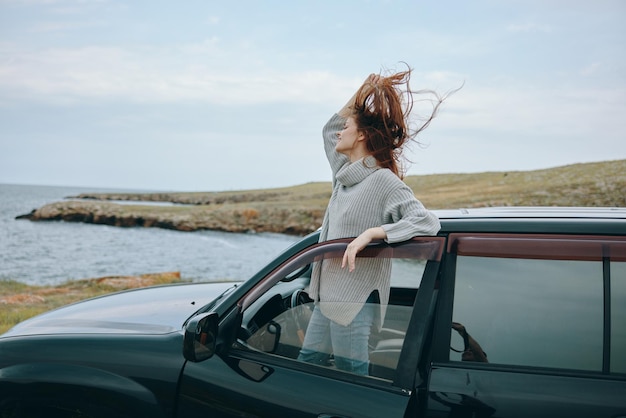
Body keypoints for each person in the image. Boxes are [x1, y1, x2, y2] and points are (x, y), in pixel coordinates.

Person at [298, 67, 447, 375]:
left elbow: (426, 221)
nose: (340, 133)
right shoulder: (345, 177)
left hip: (354, 301)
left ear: (362, 135)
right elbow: (330, 128)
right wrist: (365, 89)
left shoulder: (383, 182)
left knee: (352, 376)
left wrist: (373, 233)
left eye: (348, 128)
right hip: (328, 296)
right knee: (306, 367)